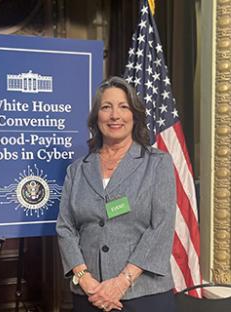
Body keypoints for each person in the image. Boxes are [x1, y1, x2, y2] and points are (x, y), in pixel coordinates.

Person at [56, 76, 177, 311]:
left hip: (145, 294)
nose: (114, 116)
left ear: (135, 115)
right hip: (90, 295)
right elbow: (65, 227)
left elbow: (161, 227)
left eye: (123, 107)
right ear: (96, 117)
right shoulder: (77, 169)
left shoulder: (157, 163)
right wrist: (85, 279)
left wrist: (122, 282)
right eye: (106, 107)